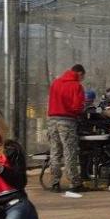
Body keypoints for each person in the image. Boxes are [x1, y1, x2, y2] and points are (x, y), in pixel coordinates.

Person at [45, 64, 86, 197]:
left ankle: (55, 182)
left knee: (55, 152)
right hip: (67, 121)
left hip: (52, 120)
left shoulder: (56, 83)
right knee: (69, 151)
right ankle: (74, 182)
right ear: (79, 74)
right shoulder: (76, 86)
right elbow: (77, 107)